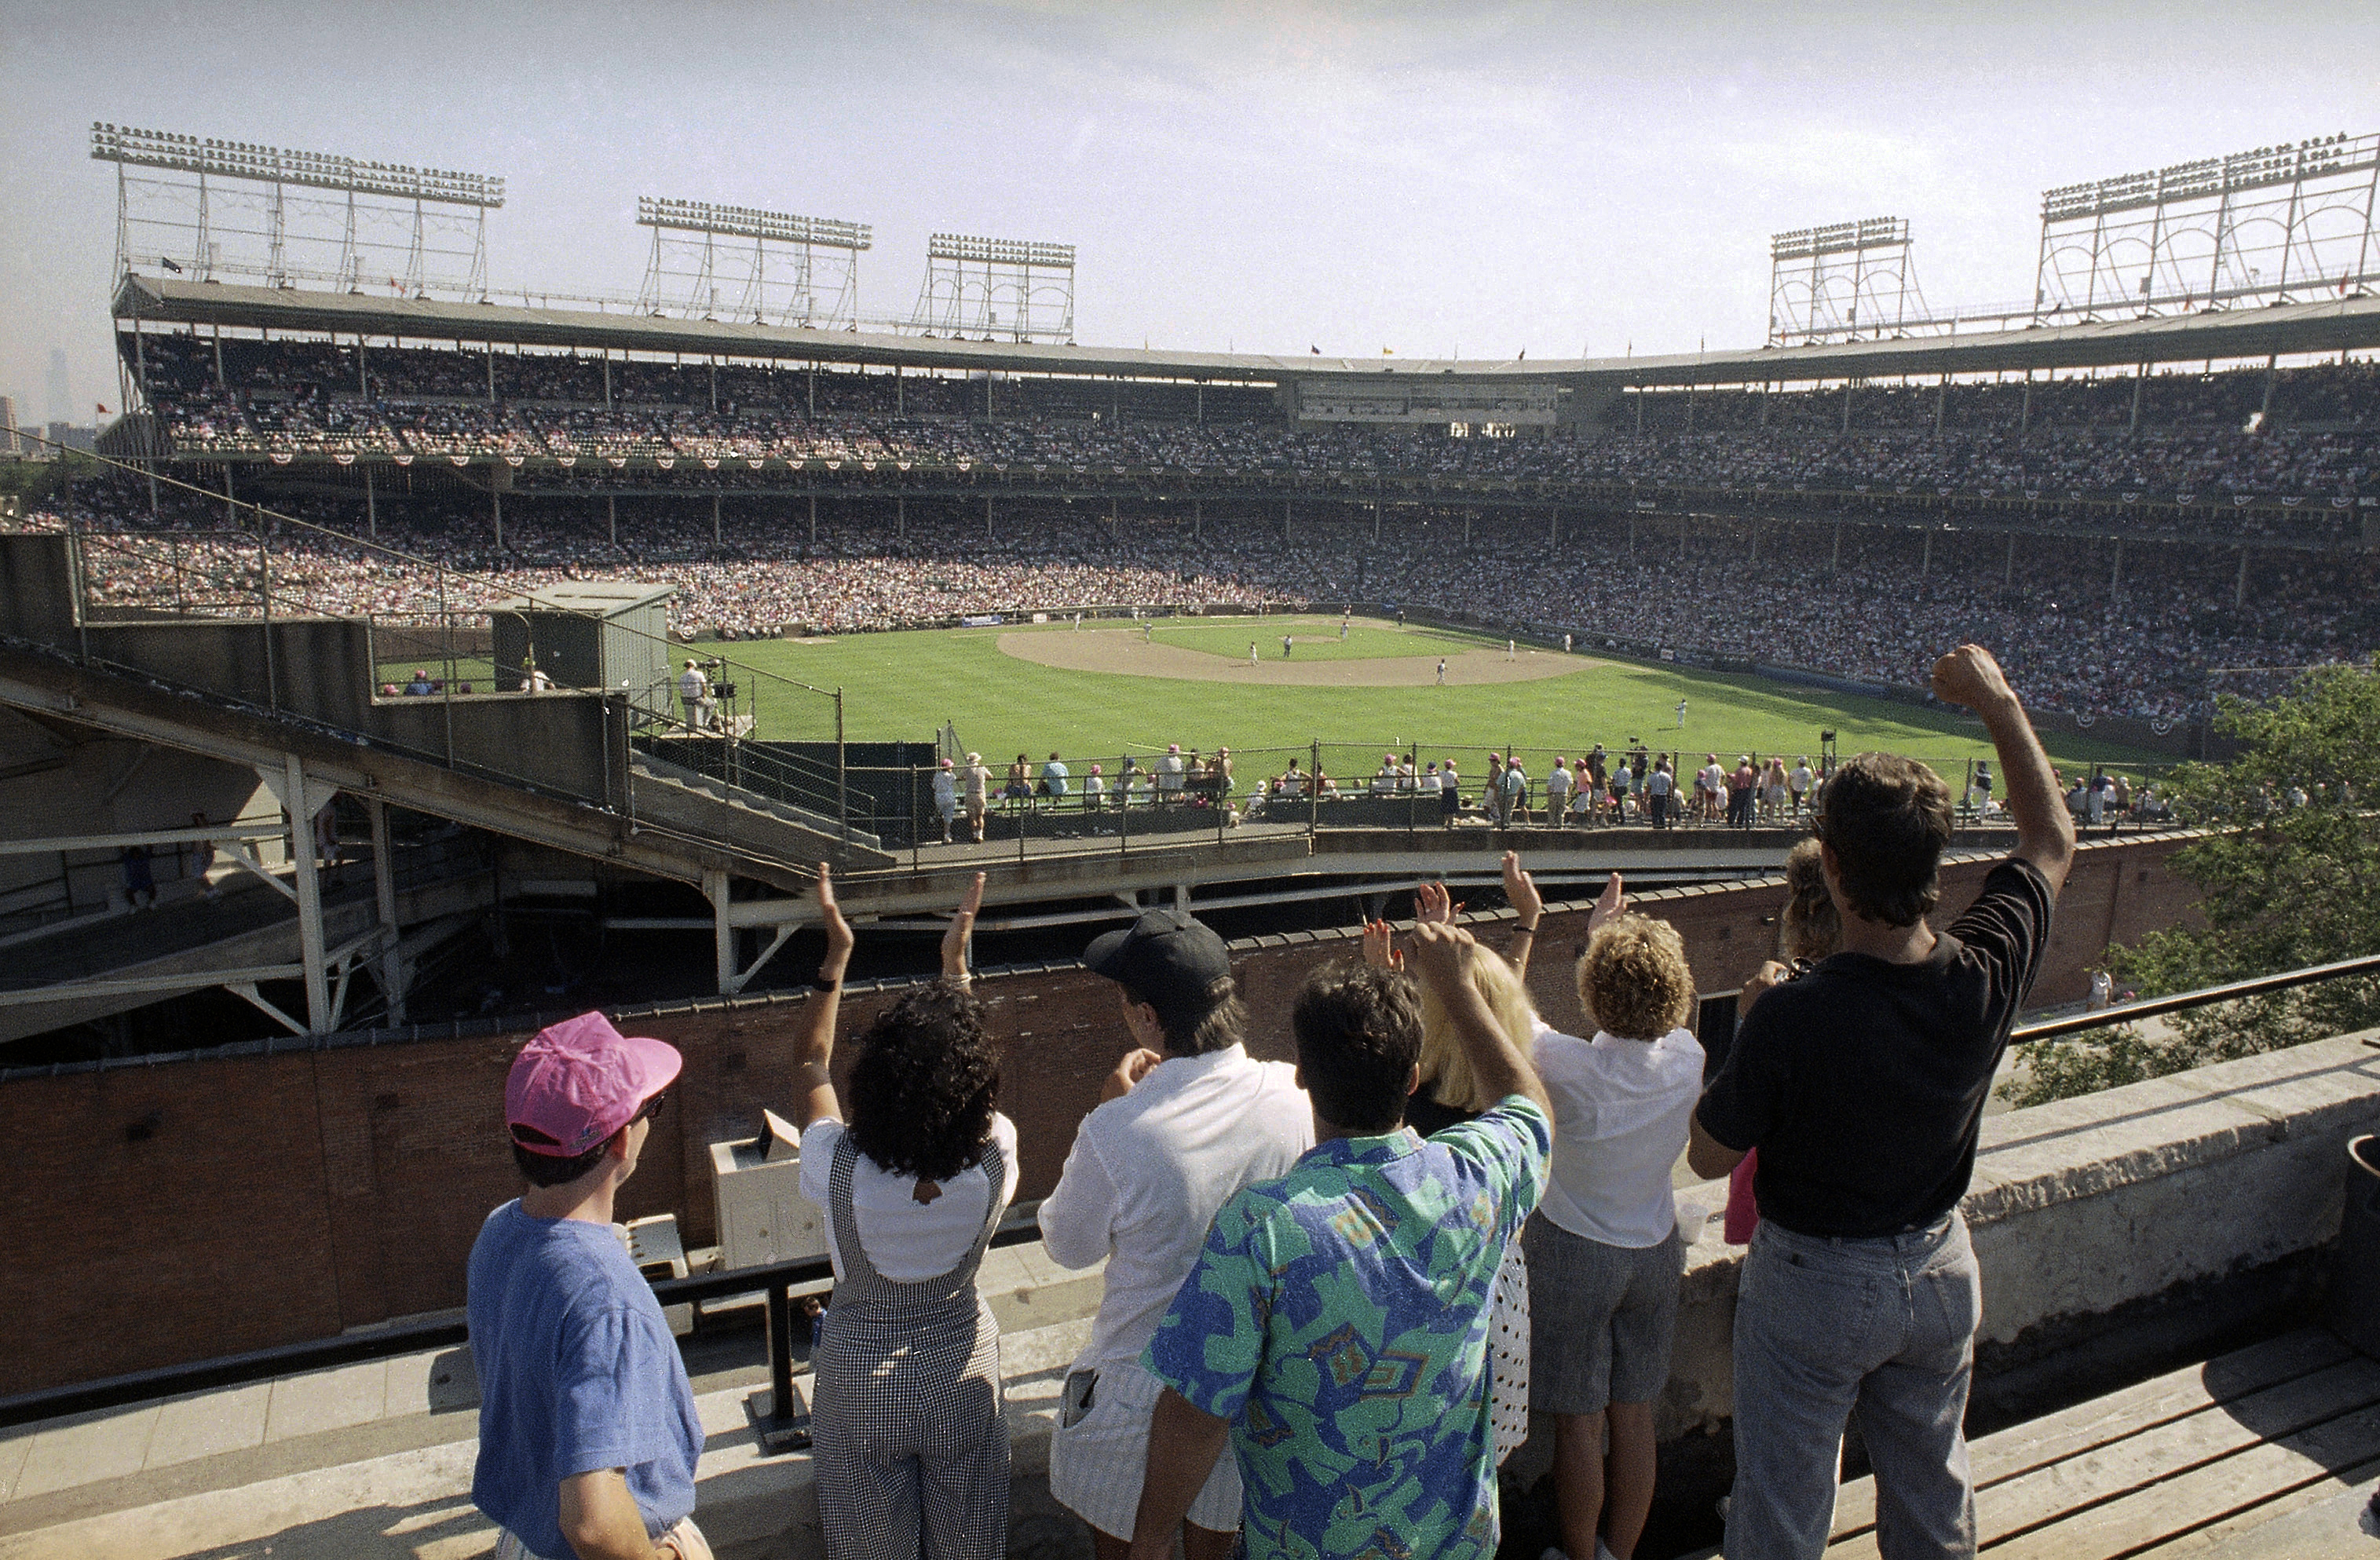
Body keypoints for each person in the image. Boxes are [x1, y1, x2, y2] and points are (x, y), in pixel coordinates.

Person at [1689, 643, 2075, 1560]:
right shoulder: (1985, 967)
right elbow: (2052, 841)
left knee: (1780, 1520)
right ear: (1934, 858)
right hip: (1940, 1269)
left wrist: (1745, 1030)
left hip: (1815, 1287)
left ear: (1828, 864)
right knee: (1932, 1505)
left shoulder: (1791, 1015)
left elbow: (1707, 1154)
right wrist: (1998, 700)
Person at [1126, 921, 1552, 1560]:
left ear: (1303, 1077)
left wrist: (1151, 1540)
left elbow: (1195, 1414)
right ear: (1412, 1078)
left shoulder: (1263, 1227)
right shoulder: (1474, 1178)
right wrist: (1458, 988)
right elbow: (1529, 1108)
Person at [1040, 912, 1314, 1560]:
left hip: (1137, 1385)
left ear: (1146, 1018)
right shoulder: (1294, 1095)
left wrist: (1110, 1107)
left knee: (1130, 1549)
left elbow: (1066, 1245)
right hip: (1247, 1385)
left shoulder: (1119, 1130)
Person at [795, 868, 1019, 1560]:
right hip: (960, 1372)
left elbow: (810, 1061)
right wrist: (956, 969)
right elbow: (967, 1080)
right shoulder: (995, 1155)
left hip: (858, 1383)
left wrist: (836, 956)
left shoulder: (835, 1163)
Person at [468, 1012, 708, 1560]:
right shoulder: (604, 1297)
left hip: (525, 1540)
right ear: (622, 1139)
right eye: (652, 1107)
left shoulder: (499, 1231)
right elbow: (594, 1524)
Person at [1528, 876, 1702, 1560]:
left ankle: (1579, 1557)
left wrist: (1564, 929)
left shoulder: (1565, 1065)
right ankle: (1620, 1553)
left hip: (1573, 1253)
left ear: (1593, 992)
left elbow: (1508, 1010)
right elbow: (1642, 1011)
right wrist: (1611, 936)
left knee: (1578, 1425)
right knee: (1633, 1418)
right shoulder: (1688, 1058)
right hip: (1654, 1252)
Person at [961, 751, 990, 843]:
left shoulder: (967, 769)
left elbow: (960, 777)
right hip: (980, 793)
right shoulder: (982, 768)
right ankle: (980, 835)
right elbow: (990, 776)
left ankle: (974, 835)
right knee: (980, 816)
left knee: (972, 816)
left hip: (970, 793)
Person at [676, 660, 711, 733]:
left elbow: (681, 689)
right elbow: (704, 686)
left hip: (685, 699)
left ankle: (693, 724)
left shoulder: (682, 676)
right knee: (711, 705)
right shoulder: (699, 674)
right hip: (696, 699)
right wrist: (704, 696)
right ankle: (705, 723)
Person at [931, 757, 958, 844]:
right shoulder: (952, 776)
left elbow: (934, 786)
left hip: (939, 796)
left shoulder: (937, 775)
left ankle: (935, 825)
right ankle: (947, 834)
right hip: (949, 796)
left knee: (940, 812)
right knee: (948, 816)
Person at [1545, 754, 1574, 826]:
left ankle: (1551, 826)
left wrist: (1548, 794)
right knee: (1561, 812)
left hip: (1554, 794)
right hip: (1563, 794)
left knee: (1552, 811)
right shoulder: (1568, 773)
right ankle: (1560, 826)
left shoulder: (1553, 773)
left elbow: (1549, 785)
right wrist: (1569, 794)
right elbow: (1570, 784)